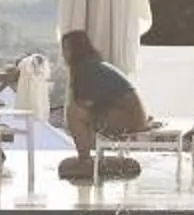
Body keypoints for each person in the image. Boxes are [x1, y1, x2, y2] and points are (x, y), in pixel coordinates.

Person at [59, 28, 147, 178]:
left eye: (66, 49)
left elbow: (86, 103)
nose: (64, 54)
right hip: (130, 114)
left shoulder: (88, 69)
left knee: (74, 113)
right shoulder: (92, 65)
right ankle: (90, 158)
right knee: (78, 112)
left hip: (128, 117)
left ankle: (85, 160)